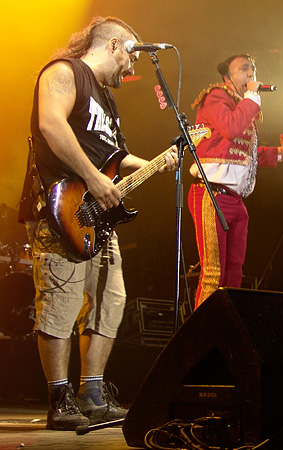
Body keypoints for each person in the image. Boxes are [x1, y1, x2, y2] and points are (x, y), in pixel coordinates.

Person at [17, 17, 178, 431]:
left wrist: (159, 164)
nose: (131, 66)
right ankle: (59, 397)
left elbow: (115, 157)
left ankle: (91, 392)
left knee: (111, 301)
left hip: (99, 219)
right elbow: (51, 125)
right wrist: (90, 177)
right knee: (60, 302)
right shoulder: (63, 72)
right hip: (61, 209)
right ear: (113, 46)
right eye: (130, 54)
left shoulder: (107, 100)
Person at [187, 54, 283, 308]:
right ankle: (204, 338)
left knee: (234, 275)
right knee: (213, 273)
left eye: (253, 69)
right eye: (244, 69)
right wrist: (252, 97)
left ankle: (228, 331)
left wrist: (280, 153)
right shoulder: (216, 97)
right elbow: (230, 127)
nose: (251, 74)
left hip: (236, 202)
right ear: (227, 77)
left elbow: (249, 155)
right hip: (211, 196)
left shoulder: (243, 107)